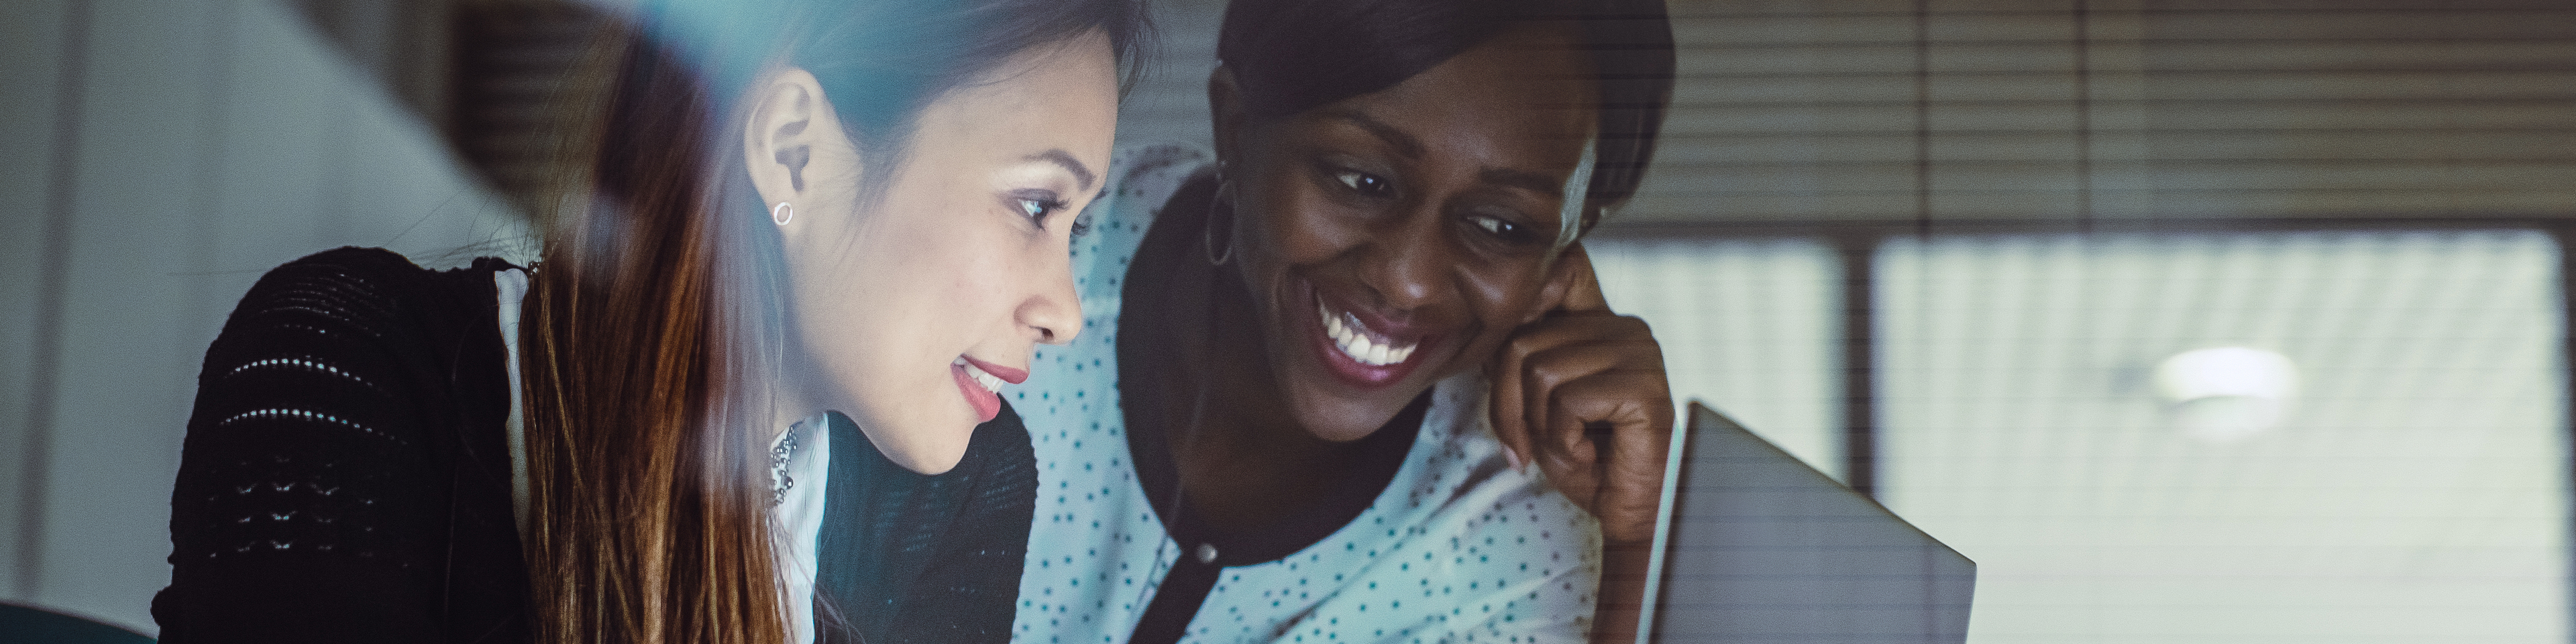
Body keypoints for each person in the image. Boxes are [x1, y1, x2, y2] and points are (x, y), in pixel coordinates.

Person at [151, 0, 1144, 642]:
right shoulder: (349, 371)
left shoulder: (956, 495)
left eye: (1079, 225)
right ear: (796, 152)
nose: (1061, 308)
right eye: (1034, 206)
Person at [1010, 0, 1677, 643]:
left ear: (1565, 248)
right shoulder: (1024, 270)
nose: (1406, 278)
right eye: (1362, 180)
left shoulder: (1517, 535)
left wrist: (1637, 543)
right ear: (1235, 130)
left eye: (1504, 226)